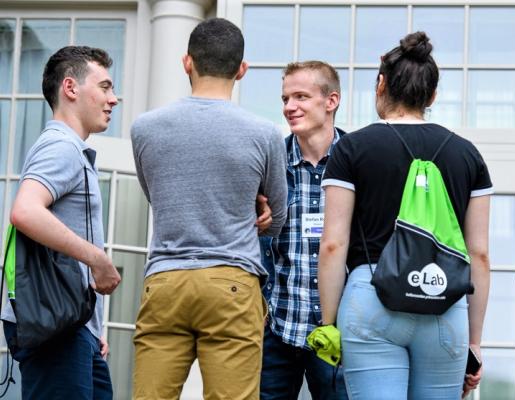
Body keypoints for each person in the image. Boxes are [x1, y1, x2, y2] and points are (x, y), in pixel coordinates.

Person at [317, 31, 492, 399]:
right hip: (444, 302)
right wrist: (474, 342)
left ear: (381, 84)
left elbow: (333, 244)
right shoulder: (467, 155)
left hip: (371, 297)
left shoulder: (351, 148)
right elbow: (478, 254)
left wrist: (329, 324)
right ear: (432, 95)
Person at [130, 18, 287, 400]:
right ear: (242, 69)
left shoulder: (144, 128)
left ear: (187, 62)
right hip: (231, 282)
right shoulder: (263, 133)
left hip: (166, 280)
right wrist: (253, 207)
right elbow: (277, 219)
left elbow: (159, 197)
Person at [1, 45, 122, 399]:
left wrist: (95, 326)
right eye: (105, 87)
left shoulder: (72, 150)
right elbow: (25, 211)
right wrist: (98, 260)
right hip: (58, 328)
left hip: (75, 328)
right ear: (70, 88)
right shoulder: (61, 147)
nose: (113, 99)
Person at [260, 61, 348, 400]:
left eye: (300, 97)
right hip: (277, 329)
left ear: (331, 101)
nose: (289, 107)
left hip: (338, 333)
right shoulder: (269, 162)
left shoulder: (358, 161)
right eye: (285, 99)